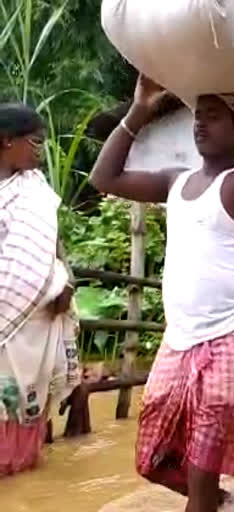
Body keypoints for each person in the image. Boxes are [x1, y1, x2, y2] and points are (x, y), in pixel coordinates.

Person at [89, 28, 234, 512]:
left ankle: (204, 499)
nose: (200, 124)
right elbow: (103, 178)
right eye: (198, 115)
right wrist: (140, 107)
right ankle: (215, 501)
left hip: (228, 338)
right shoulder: (175, 183)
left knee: (201, 461)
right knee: (151, 457)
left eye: (214, 117)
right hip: (178, 340)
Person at [0, 103, 80, 477]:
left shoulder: (34, 189)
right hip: (9, 316)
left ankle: (23, 472)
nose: (40, 149)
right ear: (6, 141)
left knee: (27, 401)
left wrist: (65, 279)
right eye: (34, 141)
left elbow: (51, 240)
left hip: (35, 316)